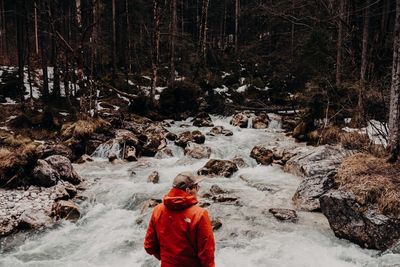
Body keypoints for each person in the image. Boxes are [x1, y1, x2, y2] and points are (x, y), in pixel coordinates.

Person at [144, 172, 215, 267]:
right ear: (188, 190)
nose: (198, 190)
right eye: (196, 187)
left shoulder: (158, 210)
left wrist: (167, 259)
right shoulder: (199, 214)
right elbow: (207, 256)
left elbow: (149, 246)